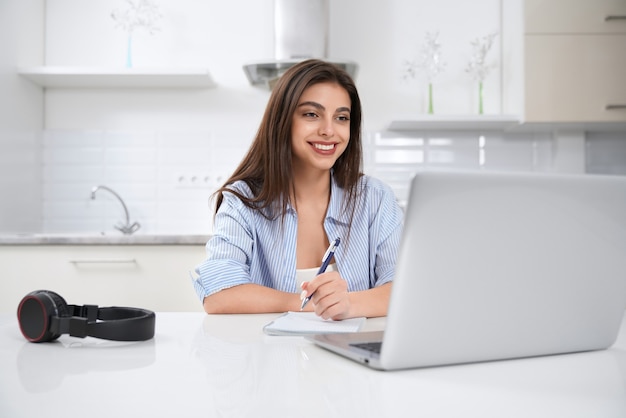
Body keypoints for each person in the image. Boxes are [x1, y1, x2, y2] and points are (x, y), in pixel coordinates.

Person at [193, 59, 403, 320]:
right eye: (311, 114)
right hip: (267, 356)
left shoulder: (375, 199)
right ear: (283, 121)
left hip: (351, 357)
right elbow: (219, 294)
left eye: (341, 117)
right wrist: (310, 303)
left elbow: (404, 289)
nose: (329, 130)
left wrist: (348, 304)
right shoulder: (243, 201)